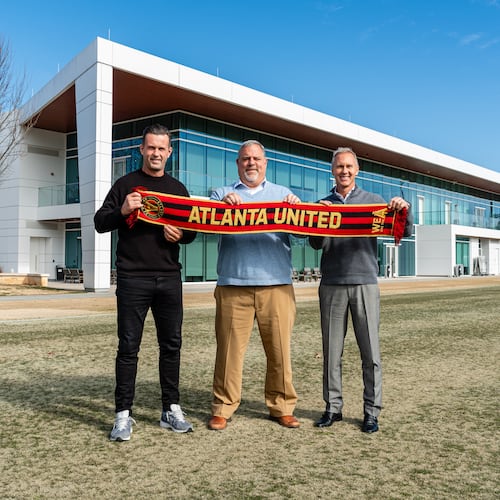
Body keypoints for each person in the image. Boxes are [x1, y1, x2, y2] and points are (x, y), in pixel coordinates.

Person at [94, 124, 196, 441]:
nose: (155, 153)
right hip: (132, 277)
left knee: (172, 346)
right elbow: (99, 222)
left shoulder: (178, 188)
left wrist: (181, 234)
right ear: (142, 150)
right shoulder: (125, 184)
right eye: (150, 147)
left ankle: (171, 410)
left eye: (161, 148)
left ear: (169, 152)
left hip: (168, 277)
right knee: (128, 348)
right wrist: (122, 210)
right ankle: (123, 415)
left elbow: (192, 230)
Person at [309, 147, 413, 433]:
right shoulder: (322, 203)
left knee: (371, 352)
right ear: (332, 170)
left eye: (349, 166)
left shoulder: (375, 201)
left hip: (365, 282)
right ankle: (332, 408)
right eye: (339, 166)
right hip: (331, 284)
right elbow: (315, 244)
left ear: (357, 170)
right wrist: (319, 220)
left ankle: (371, 411)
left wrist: (403, 209)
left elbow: (404, 231)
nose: (344, 171)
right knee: (332, 352)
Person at [207, 140, 301, 430]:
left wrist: (297, 212)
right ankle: (223, 407)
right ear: (237, 163)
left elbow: (301, 236)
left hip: (277, 286)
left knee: (280, 351)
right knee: (229, 352)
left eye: (256, 159)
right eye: (245, 159)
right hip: (233, 284)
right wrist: (221, 206)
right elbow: (206, 221)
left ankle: (282, 405)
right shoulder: (221, 194)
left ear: (265, 163)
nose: (251, 163)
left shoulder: (284, 195)